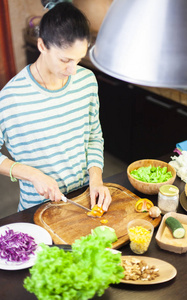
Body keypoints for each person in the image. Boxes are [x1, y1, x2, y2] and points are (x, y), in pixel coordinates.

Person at [0, 1, 111, 212]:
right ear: (42, 46)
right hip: (38, 210)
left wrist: (96, 178)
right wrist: (33, 175)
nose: (73, 70)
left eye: (78, 59)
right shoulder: (11, 98)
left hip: (84, 202)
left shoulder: (86, 81)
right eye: (64, 60)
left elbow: (94, 136)